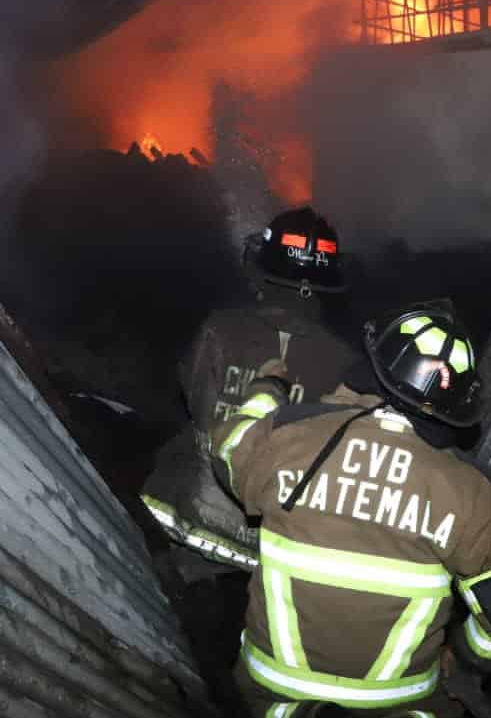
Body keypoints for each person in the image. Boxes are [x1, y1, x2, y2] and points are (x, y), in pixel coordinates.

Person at [209, 298, 491, 718]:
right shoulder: (472, 491)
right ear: (454, 407)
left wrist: (266, 391)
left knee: (260, 709)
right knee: (431, 716)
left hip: (277, 675)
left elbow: (228, 447)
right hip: (393, 690)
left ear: (374, 366)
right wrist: (467, 655)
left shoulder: (289, 438)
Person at [140, 206, 361, 571]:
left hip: (191, 527)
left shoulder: (220, 330)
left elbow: (194, 399)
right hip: (274, 556)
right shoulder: (346, 365)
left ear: (264, 268)